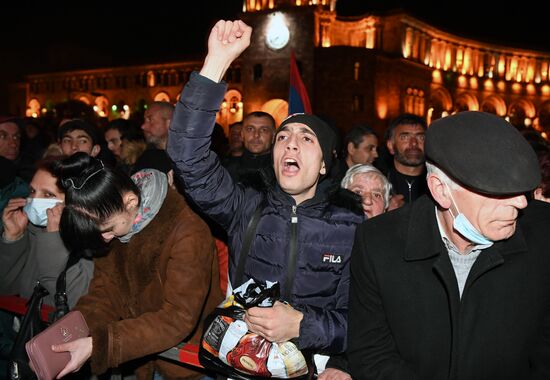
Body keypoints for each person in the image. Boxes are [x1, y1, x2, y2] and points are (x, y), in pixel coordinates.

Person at [167, 19, 363, 375]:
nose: (290, 142)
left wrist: (303, 326)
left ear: (323, 165)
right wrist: (216, 64)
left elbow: (363, 320)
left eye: (306, 138)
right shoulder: (245, 206)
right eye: (284, 137)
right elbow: (187, 156)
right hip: (238, 363)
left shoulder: (352, 227)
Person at [348, 111, 550, 379]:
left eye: (521, 189)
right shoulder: (378, 243)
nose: (521, 203)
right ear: (441, 190)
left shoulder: (543, 234)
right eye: (498, 191)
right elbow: (371, 353)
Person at [51, 153, 222, 379]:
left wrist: (102, 345)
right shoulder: (116, 224)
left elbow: (177, 318)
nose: (104, 238)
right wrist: (68, 334)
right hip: (142, 360)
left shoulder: (188, 231)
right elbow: (105, 294)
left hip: (186, 364)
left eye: (107, 229)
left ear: (131, 202)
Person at [1, 157, 93, 307]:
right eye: (32, 191)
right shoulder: (32, 230)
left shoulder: (90, 241)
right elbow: (6, 287)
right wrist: (13, 238)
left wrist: (54, 239)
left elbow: (76, 301)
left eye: (48, 194)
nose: (34, 200)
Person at [382, 113, 428, 206]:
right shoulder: (380, 184)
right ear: (391, 146)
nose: (414, 143)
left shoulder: (440, 183)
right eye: (405, 137)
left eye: (421, 137)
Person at [222, 111, 276, 182]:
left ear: (274, 136)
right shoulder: (225, 172)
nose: (256, 135)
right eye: (250, 129)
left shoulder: (283, 172)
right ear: (242, 135)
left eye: (264, 130)